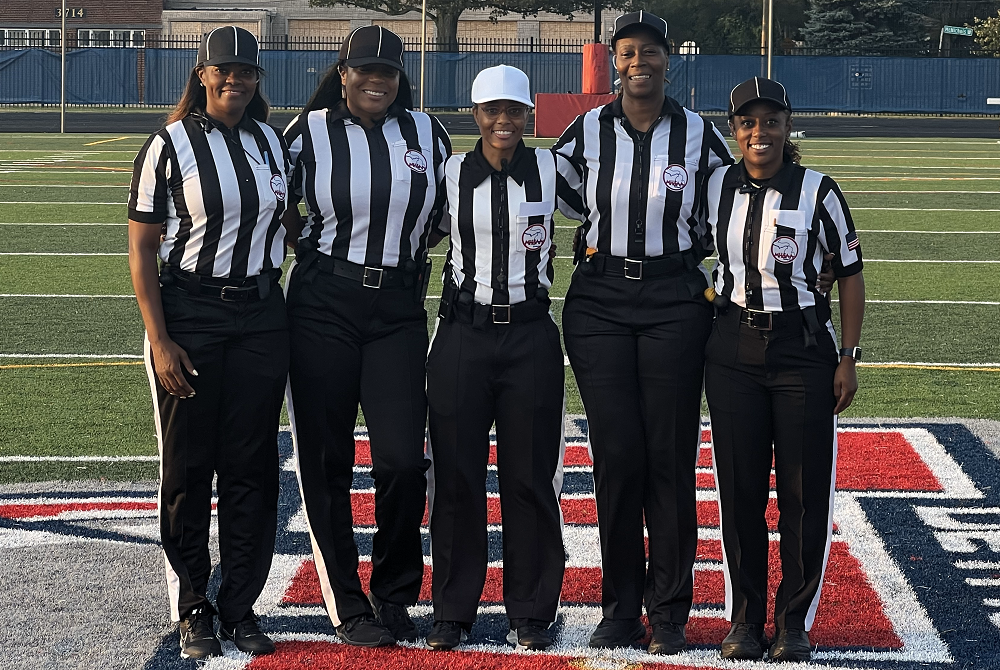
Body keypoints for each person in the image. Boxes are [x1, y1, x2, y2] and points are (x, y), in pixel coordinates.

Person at [553, 11, 734, 654]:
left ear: (666, 60)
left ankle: (670, 611)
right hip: (600, 299)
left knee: (669, 455)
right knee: (617, 456)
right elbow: (558, 198)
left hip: (674, 299)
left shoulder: (699, 134)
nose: (639, 63)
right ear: (615, 60)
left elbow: (729, 210)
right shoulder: (586, 131)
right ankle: (620, 605)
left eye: (650, 52)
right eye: (627, 52)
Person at [281, 25, 451, 647]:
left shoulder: (426, 133)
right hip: (323, 303)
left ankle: (395, 589)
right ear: (344, 73)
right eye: (364, 69)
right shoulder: (308, 132)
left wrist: (393, 264)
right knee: (326, 459)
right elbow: (276, 204)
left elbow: (440, 218)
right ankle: (346, 601)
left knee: (404, 459)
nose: (376, 80)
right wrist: (328, 258)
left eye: (388, 70)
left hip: (398, 309)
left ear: (401, 76)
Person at [127, 26, 288, 660]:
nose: (235, 80)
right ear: (202, 73)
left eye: (246, 71)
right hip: (191, 311)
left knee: (252, 468)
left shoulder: (269, 141)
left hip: (260, 315)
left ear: (256, 79)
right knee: (190, 469)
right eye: (224, 70)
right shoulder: (169, 144)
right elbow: (142, 246)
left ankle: (241, 604)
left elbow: (286, 220)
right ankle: (194, 604)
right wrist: (160, 338)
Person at [702, 77, 865, 663]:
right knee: (740, 490)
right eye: (747, 122)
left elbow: (849, 272)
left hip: (801, 350)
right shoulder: (716, 185)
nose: (759, 132)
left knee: (801, 492)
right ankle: (744, 619)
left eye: (770, 121)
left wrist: (848, 356)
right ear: (733, 129)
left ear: (787, 126)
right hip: (732, 349)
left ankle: (793, 620)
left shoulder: (819, 191)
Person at [424, 65, 565, 652]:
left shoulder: (558, 169)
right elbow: (417, 229)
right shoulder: (450, 172)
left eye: (514, 111)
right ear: (474, 114)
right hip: (463, 333)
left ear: (529, 116)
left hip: (530, 335)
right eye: (491, 111)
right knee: (455, 476)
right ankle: (453, 609)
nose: (503, 122)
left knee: (529, 476)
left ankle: (531, 610)